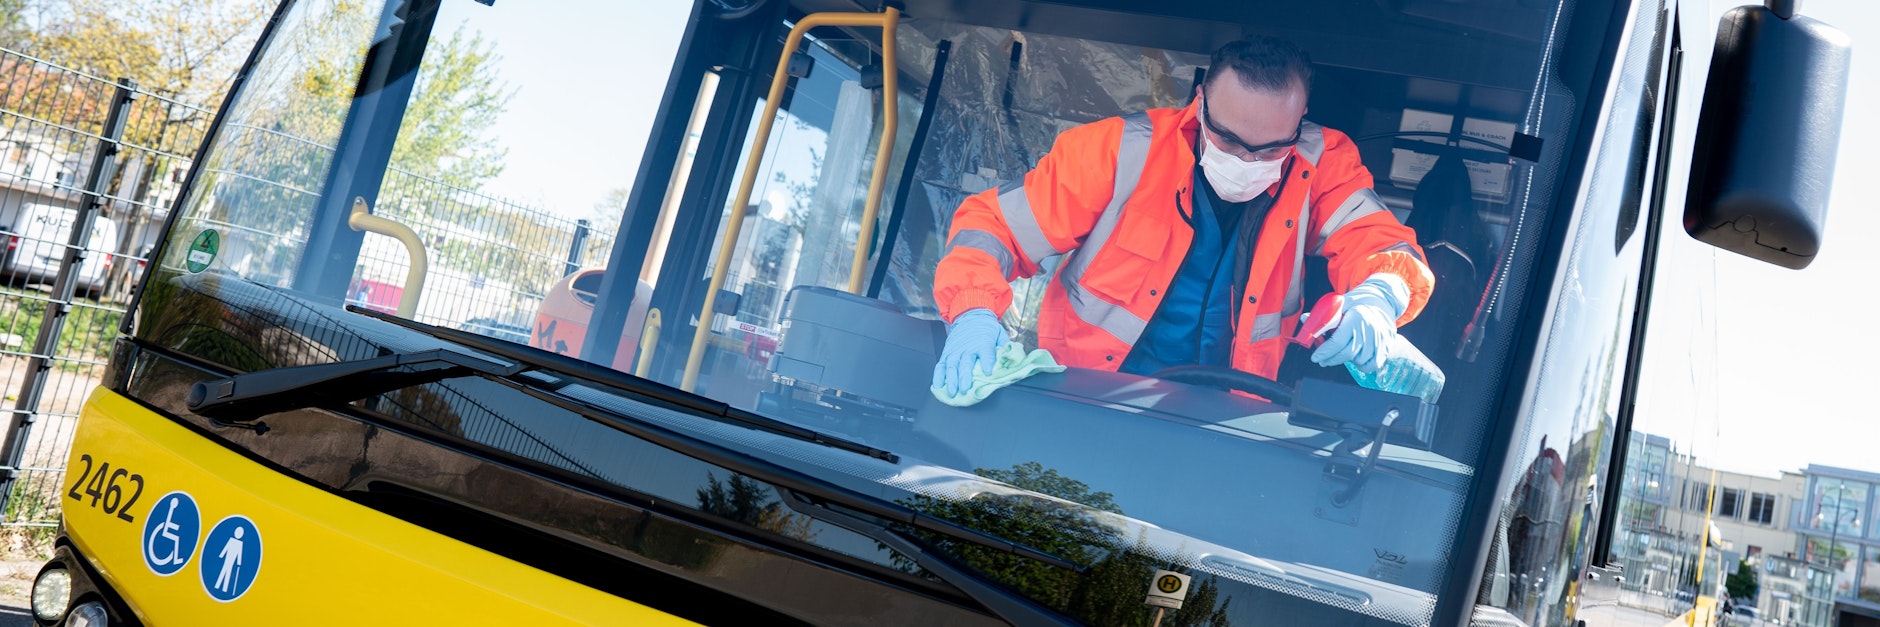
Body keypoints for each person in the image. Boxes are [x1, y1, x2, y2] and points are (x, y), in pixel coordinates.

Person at [932, 36, 1434, 397]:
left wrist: (1379, 296)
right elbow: (994, 227)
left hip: (1226, 417)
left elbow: (1380, 244)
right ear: (1200, 103)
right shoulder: (1119, 152)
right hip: (1085, 395)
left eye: (1270, 149)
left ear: (1298, 121)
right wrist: (973, 312)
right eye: (1229, 140)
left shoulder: (1322, 163)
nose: (1247, 161)